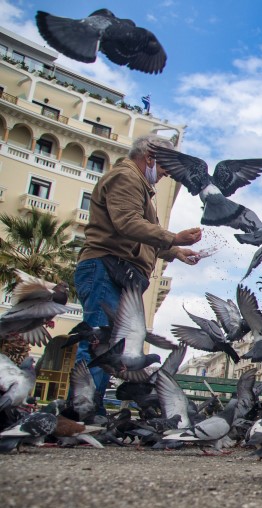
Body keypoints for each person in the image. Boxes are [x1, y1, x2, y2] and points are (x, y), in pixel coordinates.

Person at [73, 134, 202, 410]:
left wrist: (175, 252)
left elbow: (143, 236)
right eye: (166, 166)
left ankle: (88, 408)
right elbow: (128, 223)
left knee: (110, 345)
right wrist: (174, 238)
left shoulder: (139, 185)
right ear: (151, 157)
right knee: (99, 341)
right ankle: (81, 410)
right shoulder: (127, 178)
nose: (167, 174)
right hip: (105, 267)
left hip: (117, 271)